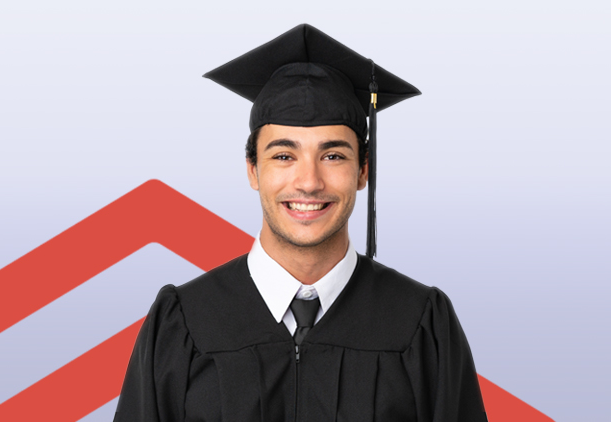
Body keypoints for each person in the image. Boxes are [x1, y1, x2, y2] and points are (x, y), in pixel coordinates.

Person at [114, 24, 487, 422]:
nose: (309, 182)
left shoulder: (420, 322)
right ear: (253, 171)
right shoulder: (185, 322)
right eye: (283, 156)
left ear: (363, 171)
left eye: (333, 156)